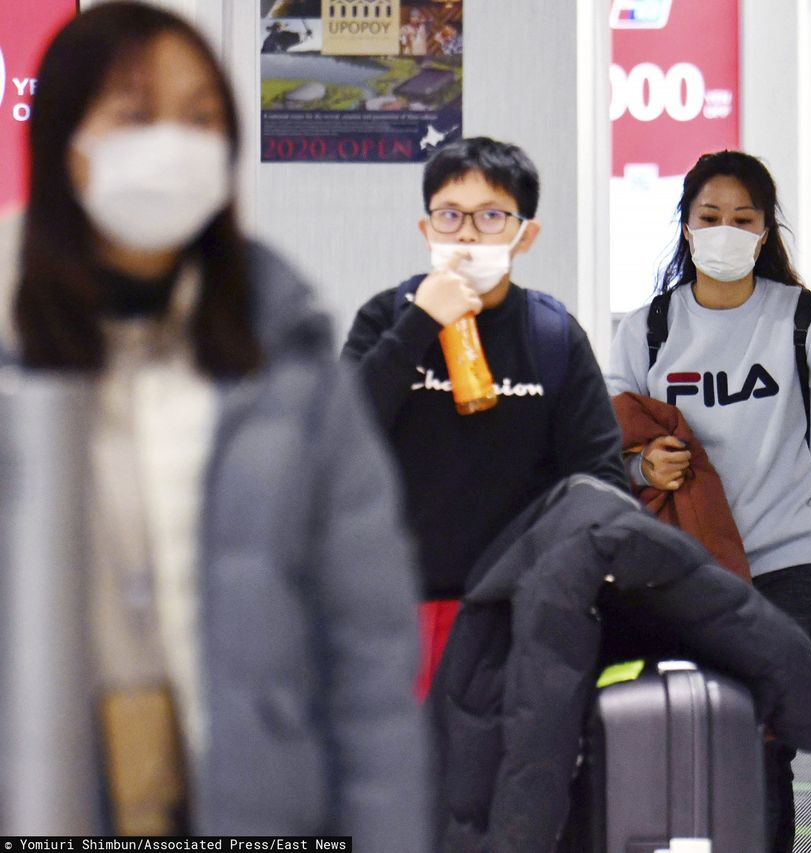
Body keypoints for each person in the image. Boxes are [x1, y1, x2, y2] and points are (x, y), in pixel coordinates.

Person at [0, 4, 426, 844]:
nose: (173, 143)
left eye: (200, 119)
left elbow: (370, 663)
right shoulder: (14, 344)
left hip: (257, 805)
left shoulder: (291, 360)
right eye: (135, 113)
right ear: (64, 145)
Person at [607, 150, 811, 853]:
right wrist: (641, 462)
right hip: (676, 566)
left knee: (761, 734)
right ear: (685, 227)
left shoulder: (802, 317)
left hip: (782, 562)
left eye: (743, 218)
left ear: (766, 231)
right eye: (710, 217)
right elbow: (600, 443)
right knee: (681, 728)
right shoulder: (645, 328)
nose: (725, 232)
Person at [341, 136, 627, 695]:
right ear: (426, 230)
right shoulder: (386, 319)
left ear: (525, 234)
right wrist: (420, 322)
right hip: (395, 611)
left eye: (491, 216)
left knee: (503, 778)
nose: (468, 233)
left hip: (516, 614)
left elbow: (598, 478)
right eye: (450, 215)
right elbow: (341, 436)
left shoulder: (552, 334)